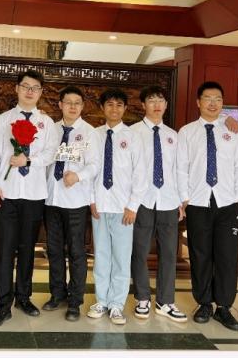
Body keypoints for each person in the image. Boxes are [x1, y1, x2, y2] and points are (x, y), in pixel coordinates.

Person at [0, 70, 57, 327]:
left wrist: (29, 160)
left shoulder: (46, 123)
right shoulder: (3, 120)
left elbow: (50, 154)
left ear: (40, 92)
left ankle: (23, 298)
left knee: (28, 249)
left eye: (35, 88)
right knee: (4, 251)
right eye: (25, 86)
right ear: (17, 89)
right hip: (7, 193)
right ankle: (3, 305)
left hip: (34, 195)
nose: (29, 91)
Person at [177, 81, 238, 331]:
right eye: (208, 98)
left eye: (218, 99)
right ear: (198, 102)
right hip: (198, 201)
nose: (213, 103)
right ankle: (204, 303)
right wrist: (184, 198)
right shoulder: (187, 132)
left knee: (227, 256)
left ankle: (224, 307)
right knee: (200, 254)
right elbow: (181, 167)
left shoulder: (232, 131)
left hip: (227, 202)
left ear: (223, 103)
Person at [87, 88, 148, 326]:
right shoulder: (94, 135)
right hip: (100, 206)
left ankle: (116, 304)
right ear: (102, 108)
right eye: (110, 104)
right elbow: (88, 170)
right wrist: (91, 200)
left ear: (125, 109)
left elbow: (140, 174)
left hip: (124, 209)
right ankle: (101, 300)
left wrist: (133, 206)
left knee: (122, 258)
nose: (114, 109)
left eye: (119, 105)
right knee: (101, 256)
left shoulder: (133, 137)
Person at [129, 85, 187, 322]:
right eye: (151, 100)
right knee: (139, 252)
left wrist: (182, 200)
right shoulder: (132, 133)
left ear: (166, 105)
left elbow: (179, 169)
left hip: (169, 201)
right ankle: (142, 298)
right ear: (143, 104)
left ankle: (165, 301)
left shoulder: (174, 135)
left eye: (160, 100)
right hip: (142, 201)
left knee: (169, 254)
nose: (156, 104)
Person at [41, 86, 98, 321]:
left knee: (76, 252)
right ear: (60, 105)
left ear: (82, 106)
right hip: (51, 198)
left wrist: (78, 176)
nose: (73, 106)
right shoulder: (50, 129)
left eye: (77, 103)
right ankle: (57, 294)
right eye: (68, 102)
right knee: (54, 250)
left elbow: (94, 165)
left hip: (75, 200)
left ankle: (75, 301)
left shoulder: (89, 132)